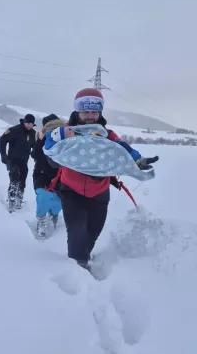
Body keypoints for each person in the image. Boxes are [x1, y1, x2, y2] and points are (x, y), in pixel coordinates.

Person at [45, 88, 157, 270]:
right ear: (77, 111)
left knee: (93, 232)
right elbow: (49, 146)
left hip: (99, 192)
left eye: (94, 111)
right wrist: (55, 152)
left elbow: (124, 149)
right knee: (76, 232)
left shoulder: (107, 135)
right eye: (86, 111)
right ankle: (77, 269)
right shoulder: (66, 131)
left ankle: (84, 256)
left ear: (99, 112)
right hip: (71, 190)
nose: (90, 116)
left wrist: (138, 160)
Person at [31, 114, 67, 237]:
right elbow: (35, 155)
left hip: (60, 176)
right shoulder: (41, 138)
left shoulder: (65, 139)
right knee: (43, 197)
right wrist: (40, 140)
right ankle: (41, 220)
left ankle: (54, 215)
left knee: (58, 200)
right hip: (41, 175)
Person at [0, 114, 36, 212]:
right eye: (27, 123)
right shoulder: (14, 130)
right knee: (14, 181)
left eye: (31, 124)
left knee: (22, 183)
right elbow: (2, 140)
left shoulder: (33, 133)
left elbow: (35, 147)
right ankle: (11, 202)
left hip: (24, 162)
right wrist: (3, 155)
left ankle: (19, 201)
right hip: (12, 160)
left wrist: (35, 155)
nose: (29, 125)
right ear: (24, 122)